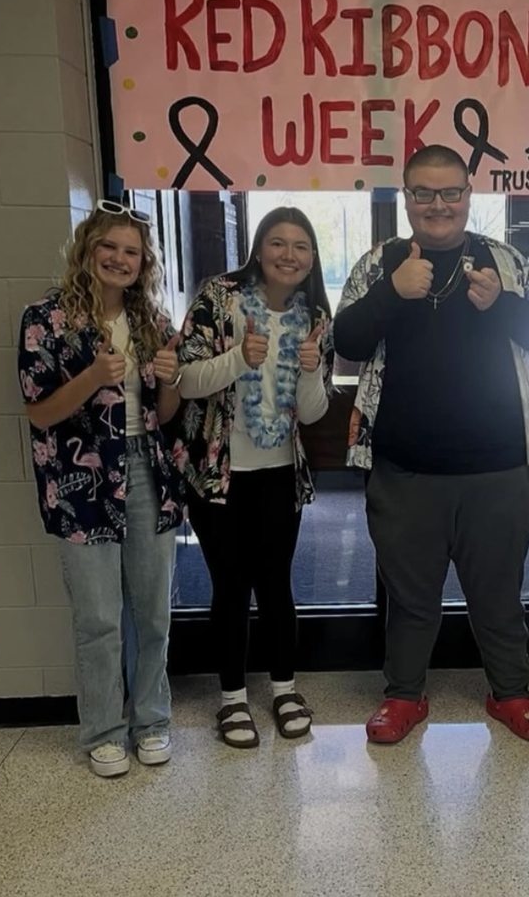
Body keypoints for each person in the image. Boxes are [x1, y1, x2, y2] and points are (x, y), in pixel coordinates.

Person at [333, 144, 529, 744]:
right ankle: (404, 696)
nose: (439, 205)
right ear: (407, 198)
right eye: (424, 193)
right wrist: (393, 293)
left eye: (451, 193)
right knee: (410, 598)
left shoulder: (502, 261)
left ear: (469, 194)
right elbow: (347, 341)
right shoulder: (380, 263)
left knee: (497, 593)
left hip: (497, 467)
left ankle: (510, 692)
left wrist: (500, 304)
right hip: (404, 469)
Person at [17, 200, 185, 777]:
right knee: (98, 617)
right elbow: (39, 414)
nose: (119, 259)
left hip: (146, 468)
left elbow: (166, 412)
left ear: (144, 264)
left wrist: (171, 382)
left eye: (131, 252)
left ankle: (153, 721)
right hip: (80, 480)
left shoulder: (150, 321)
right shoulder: (46, 319)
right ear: (87, 249)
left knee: (153, 610)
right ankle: (103, 732)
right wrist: (92, 377)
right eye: (108, 247)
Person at [175, 207, 332, 749]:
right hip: (219, 475)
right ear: (259, 250)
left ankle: (285, 689)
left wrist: (311, 369)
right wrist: (239, 358)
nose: (289, 255)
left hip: (279, 474)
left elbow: (310, 414)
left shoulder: (313, 313)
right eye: (277, 243)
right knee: (231, 587)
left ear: (312, 259)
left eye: (301, 246)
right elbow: (186, 380)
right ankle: (233, 699)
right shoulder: (217, 298)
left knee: (277, 585)